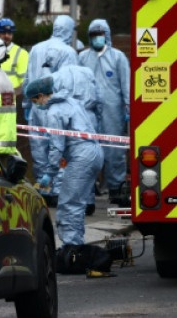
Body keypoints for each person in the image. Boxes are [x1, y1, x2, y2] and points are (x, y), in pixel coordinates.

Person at [25, 76, 103, 247]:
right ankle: (77, 244)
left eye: (34, 100)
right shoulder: (71, 102)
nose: (35, 105)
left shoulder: (54, 113)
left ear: (41, 95)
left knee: (68, 204)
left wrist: (49, 174)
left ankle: (72, 248)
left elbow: (56, 146)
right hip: (95, 153)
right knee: (79, 202)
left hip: (81, 156)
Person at [23, 14, 79, 203]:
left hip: (36, 107)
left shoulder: (36, 49)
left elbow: (28, 79)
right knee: (59, 147)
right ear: (69, 31)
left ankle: (43, 188)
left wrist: (26, 104)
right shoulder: (69, 52)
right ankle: (57, 189)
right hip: (57, 108)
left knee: (39, 148)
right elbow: (71, 82)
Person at [78, 18, 130, 197]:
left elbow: (126, 85)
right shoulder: (83, 57)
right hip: (88, 110)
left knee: (114, 149)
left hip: (112, 111)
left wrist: (128, 108)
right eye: (93, 35)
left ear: (106, 35)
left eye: (100, 35)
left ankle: (116, 187)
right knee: (88, 148)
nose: (97, 38)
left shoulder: (118, 57)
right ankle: (90, 187)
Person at [51, 61, 102, 215]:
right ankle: (89, 201)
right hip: (89, 117)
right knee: (87, 164)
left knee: (67, 159)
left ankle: (62, 196)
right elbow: (100, 98)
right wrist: (98, 118)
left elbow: (54, 97)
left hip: (69, 117)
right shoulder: (88, 72)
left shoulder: (57, 76)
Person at [0, 18, 29, 97]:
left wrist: (10, 96)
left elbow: (25, 83)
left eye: (9, 33)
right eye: (3, 33)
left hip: (11, 99)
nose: (6, 36)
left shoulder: (22, 54)